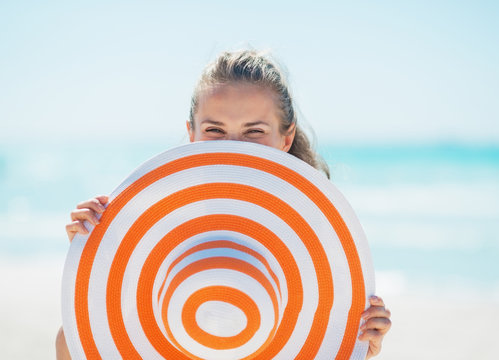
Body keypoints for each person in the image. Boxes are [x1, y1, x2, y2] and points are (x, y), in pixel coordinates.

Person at [56, 49, 392, 359]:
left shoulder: (317, 234)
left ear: (286, 137)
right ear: (192, 134)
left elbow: (322, 330)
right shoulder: (155, 218)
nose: (234, 148)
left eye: (254, 131)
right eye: (215, 129)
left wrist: (357, 344)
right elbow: (72, 346)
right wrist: (94, 257)